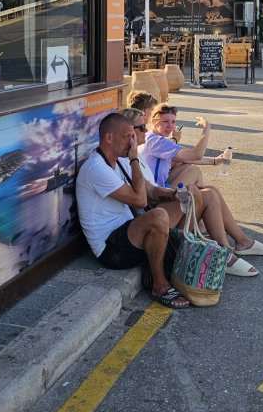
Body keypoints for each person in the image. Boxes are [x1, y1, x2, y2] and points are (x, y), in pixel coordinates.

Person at [75, 111, 190, 309]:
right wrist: (135, 159)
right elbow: (139, 200)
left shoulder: (119, 160)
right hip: (111, 249)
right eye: (127, 136)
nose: (132, 141)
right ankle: (159, 285)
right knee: (159, 215)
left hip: (128, 231)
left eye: (132, 136)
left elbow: (151, 191)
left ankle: (210, 255)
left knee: (192, 197)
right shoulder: (96, 167)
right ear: (109, 138)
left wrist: (176, 195)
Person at [141, 103, 263, 276]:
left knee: (210, 188)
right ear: (153, 120)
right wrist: (206, 129)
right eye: (166, 122)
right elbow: (195, 155)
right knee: (206, 191)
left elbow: (183, 160)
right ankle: (225, 253)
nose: (170, 126)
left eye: (173, 122)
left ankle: (241, 241)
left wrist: (215, 161)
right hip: (157, 204)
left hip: (159, 195)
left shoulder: (157, 140)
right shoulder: (155, 141)